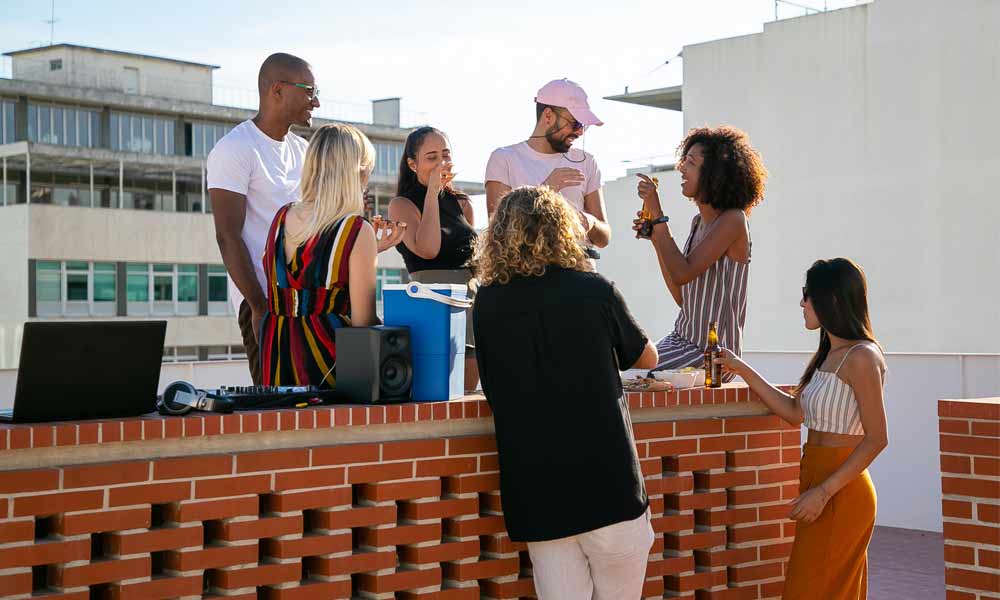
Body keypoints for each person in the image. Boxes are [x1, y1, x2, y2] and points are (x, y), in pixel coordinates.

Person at [472, 186, 658, 600]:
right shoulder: (593, 289)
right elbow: (646, 357)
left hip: (538, 494)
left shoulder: (486, 303)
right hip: (610, 486)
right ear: (562, 231)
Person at [714, 258, 888, 600]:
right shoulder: (828, 354)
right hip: (816, 480)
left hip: (841, 490)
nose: (802, 302)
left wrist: (824, 491)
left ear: (832, 300)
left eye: (807, 294)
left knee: (815, 590)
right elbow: (794, 412)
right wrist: (741, 368)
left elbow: (877, 439)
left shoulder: (863, 357)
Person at [259, 124, 405, 387]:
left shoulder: (280, 218)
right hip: (329, 364)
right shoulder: (355, 229)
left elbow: (299, 278)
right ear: (357, 172)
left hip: (278, 356)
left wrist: (371, 250)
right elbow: (363, 324)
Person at [208, 53, 319, 385]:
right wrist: (258, 306)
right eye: (309, 90)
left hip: (303, 301)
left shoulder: (303, 150)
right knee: (275, 403)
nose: (316, 101)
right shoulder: (235, 149)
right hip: (263, 301)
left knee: (312, 403)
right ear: (278, 90)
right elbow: (228, 236)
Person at [633, 125, 767, 380]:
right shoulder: (698, 223)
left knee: (633, 376)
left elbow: (682, 272)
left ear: (714, 173)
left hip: (713, 355)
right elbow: (684, 297)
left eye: (690, 163)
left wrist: (659, 217)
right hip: (680, 341)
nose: (681, 168)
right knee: (620, 365)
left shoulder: (733, 220)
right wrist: (655, 240)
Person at [388, 127, 480, 391]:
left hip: (468, 301)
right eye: (431, 157)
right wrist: (432, 193)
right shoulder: (401, 204)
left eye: (445, 155)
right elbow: (427, 249)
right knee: (432, 392)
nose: (441, 163)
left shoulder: (462, 203)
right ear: (412, 163)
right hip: (429, 302)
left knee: (466, 392)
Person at [484, 78, 611, 254]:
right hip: (528, 274)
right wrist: (545, 190)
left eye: (583, 125)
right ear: (548, 116)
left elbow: (604, 238)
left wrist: (589, 222)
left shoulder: (587, 161)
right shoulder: (504, 158)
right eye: (575, 123)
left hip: (581, 272)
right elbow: (498, 232)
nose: (580, 131)